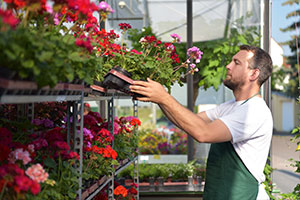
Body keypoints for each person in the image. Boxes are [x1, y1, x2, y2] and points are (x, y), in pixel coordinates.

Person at [129, 45, 273, 200]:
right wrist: (158, 99)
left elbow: (204, 133)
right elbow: (191, 121)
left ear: (254, 73)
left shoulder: (254, 112)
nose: (228, 66)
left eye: (236, 63)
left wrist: (163, 97)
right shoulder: (231, 107)